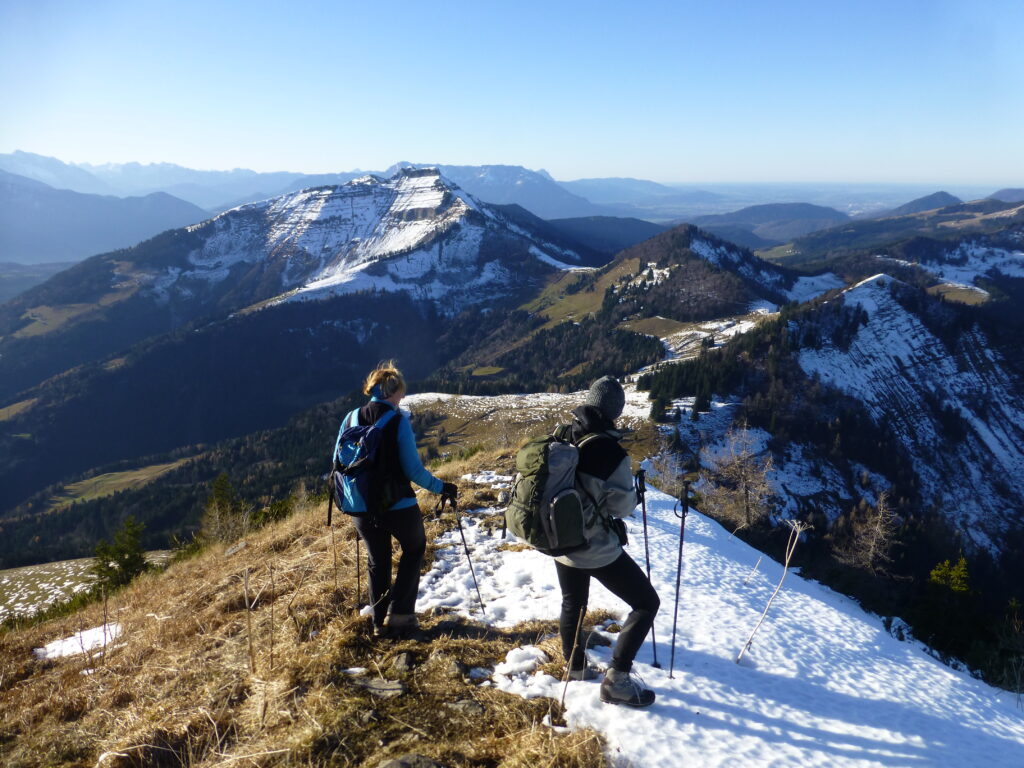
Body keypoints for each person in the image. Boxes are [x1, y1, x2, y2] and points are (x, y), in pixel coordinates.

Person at [556, 375, 660, 707]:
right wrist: (633, 495)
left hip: (559, 536)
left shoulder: (564, 433)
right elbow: (620, 507)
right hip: (592, 545)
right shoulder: (609, 451)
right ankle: (617, 678)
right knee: (646, 603)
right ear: (615, 411)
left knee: (574, 601)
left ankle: (574, 667)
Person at [334, 361, 457, 636]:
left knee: (378, 561)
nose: (402, 396)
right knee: (414, 549)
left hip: (361, 507)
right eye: (401, 392)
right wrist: (442, 488)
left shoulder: (351, 418)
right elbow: (413, 470)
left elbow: (336, 462)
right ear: (394, 392)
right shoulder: (397, 421)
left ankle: (378, 622)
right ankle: (401, 614)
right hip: (397, 504)